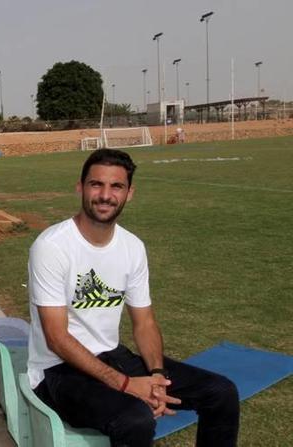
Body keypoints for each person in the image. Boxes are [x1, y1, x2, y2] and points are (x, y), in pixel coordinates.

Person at [26, 148, 239, 446]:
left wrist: (157, 378)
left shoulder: (132, 247)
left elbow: (145, 322)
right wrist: (127, 385)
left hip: (113, 356)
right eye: (96, 184)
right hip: (57, 371)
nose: (105, 195)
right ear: (80, 187)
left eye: (116, 186)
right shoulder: (52, 246)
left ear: (129, 194)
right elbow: (56, 338)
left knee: (221, 392)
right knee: (134, 419)